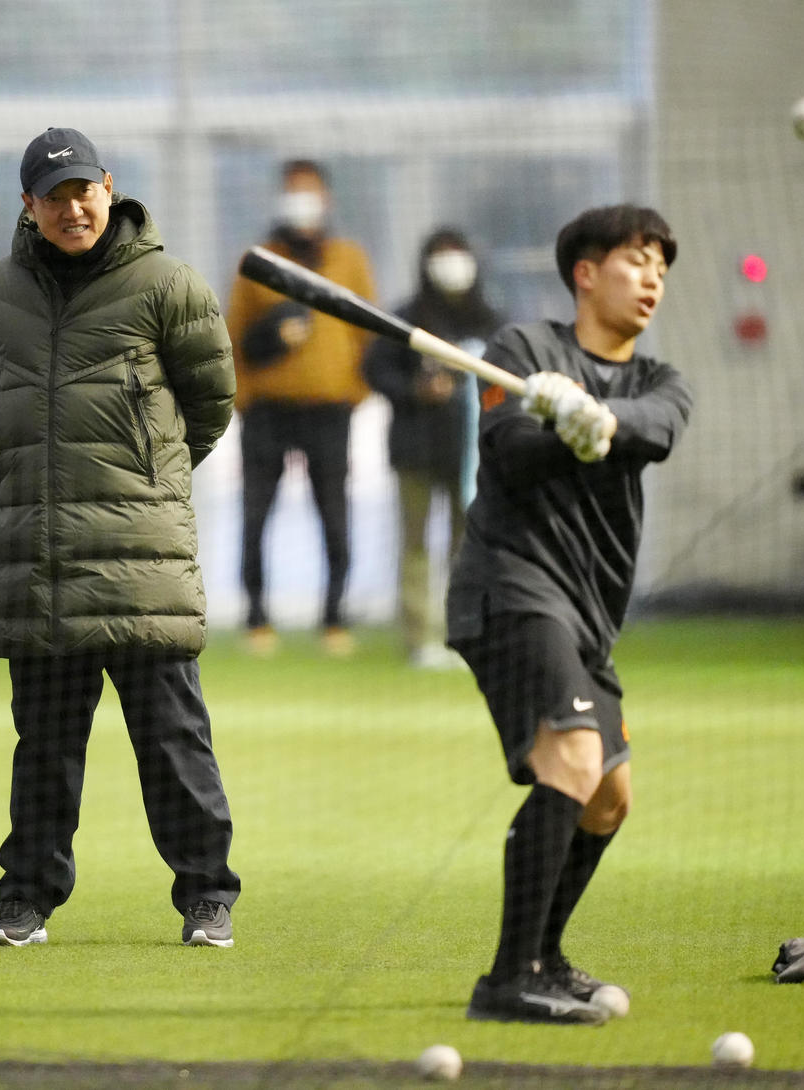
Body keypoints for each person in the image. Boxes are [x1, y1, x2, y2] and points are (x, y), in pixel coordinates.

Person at [0, 127, 241, 949]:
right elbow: (1, 394)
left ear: (109, 189)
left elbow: (211, 405)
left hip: (140, 562)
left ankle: (207, 897)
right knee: (44, 751)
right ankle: (26, 900)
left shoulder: (169, 283)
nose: (72, 208)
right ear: (29, 206)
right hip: (42, 559)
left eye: (83, 191)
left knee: (172, 743)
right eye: (53, 197)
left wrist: (145, 479)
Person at [445, 204, 691, 1023]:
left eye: (661, 265)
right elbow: (509, 451)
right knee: (574, 758)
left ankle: (545, 957)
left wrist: (602, 421)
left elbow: (659, 428)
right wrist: (558, 424)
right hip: (511, 589)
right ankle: (508, 979)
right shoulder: (522, 352)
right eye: (636, 260)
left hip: (585, 614)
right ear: (586, 274)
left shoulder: (659, 381)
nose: (652, 277)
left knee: (609, 798)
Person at [225, 160, 377, 656]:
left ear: (328, 200)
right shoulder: (259, 261)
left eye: (310, 194)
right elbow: (232, 338)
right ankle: (256, 618)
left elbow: (368, 333)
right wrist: (244, 400)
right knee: (255, 514)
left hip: (330, 410)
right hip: (267, 410)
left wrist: (354, 391)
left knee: (334, 514)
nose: (302, 204)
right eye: (293, 194)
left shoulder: (348, 259)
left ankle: (334, 618)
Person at [363, 228, 504, 667]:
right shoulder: (406, 317)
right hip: (416, 451)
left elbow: (511, 377)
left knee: (468, 547)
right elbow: (374, 368)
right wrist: (414, 390)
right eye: (440, 256)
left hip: (474, 455)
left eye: (457, 254)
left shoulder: (491, 321)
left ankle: (464, 634)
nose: (451, 264)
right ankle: (418, 637)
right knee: (416, 545)